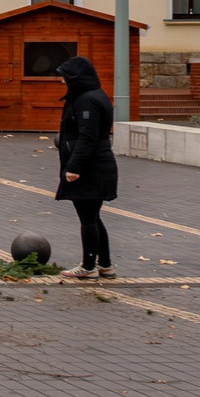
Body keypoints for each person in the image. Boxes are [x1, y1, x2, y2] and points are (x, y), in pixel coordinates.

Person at [54, 53, 119, 280]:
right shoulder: (92, 95)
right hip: (96, 165)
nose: (61, 80)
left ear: (75, 78)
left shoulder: (87, 100)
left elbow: (88, 137)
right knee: (93, 216)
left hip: (91, 168)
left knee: (88, 218)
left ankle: (89, 266)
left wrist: (74, 167)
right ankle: (105, 265)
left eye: (64, 76)